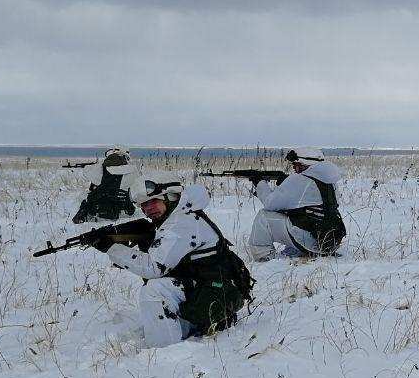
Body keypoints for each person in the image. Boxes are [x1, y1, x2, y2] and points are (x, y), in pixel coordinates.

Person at [96, 177, 253, 346]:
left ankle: (164, 349)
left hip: (216, 293)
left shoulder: (181, 223)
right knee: (159, 286)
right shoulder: (181, 215)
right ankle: (181, 327)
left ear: (170, 197)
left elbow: (153, 268)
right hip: (212, 288)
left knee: (154, 290)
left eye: (152, 202)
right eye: (143, 205)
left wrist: (112, 249)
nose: (147, 209)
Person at [247, 148, 346, 260]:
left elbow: (270, 204)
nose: (294, 168)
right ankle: (295, 250)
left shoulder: (301, 179)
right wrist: (285, 183)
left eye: (296, 164)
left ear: (304, 164)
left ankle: (263, 257)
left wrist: (260, 183)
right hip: (329, 241)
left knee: (263, 217)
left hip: (312, 242)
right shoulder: (329, 181)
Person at [72, 146, 138, 223]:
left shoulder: (99, 170)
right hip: (122, 213)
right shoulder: (132, 171)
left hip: (99, 212)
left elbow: (92, 192)